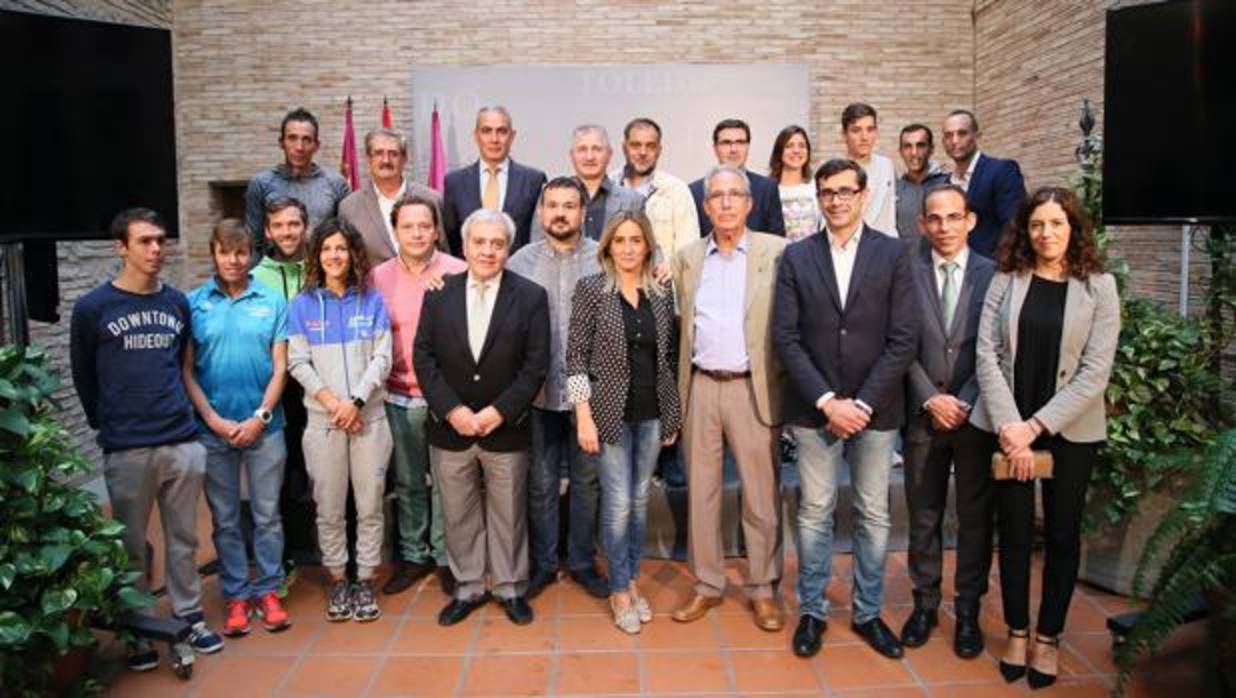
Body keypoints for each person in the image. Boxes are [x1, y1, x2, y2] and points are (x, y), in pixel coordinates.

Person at [971, 186, 1120, 689]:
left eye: (1057, 224)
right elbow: (987, 354)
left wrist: (1035, 428)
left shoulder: (1100, 287)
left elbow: (1095, 372)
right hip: (1007, 423)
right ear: (1025, 230)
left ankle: (1049, 637)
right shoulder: (1005, 280)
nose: (1046, 233)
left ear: (1073, 228)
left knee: (1060, 535)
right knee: (1012, 533)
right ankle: (1017, 629)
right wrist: (1012, 427)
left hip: (1070, 430)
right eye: (1037, 225)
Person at [771, 159, 917, 660]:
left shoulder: (894, 254)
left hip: (877, 409)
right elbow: (785, 338)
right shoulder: (796, 257)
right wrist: (829, 401)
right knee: (815, 512)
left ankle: (868, 612)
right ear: (818, 197)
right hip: (815, 411)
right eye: (827, 192)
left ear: (862, 194)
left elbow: (903, 339)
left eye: (845, 191)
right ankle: (812, 611)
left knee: (874, 513)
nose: (836, 200)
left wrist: (863, 402)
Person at [69, 208, 223, 670]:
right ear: (121, 248)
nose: (156, 249)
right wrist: (108, 422)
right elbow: (84, 376)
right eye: (145, 242)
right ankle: (139, 627)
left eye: (160, 241)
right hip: (127, 445)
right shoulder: (93, 308)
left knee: (183, 538)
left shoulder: (176, 303)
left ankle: (188, 614)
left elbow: (183, 366)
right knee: (131, 543)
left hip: (179, 438)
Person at [413, 209, 551, 627]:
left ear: (508, 248)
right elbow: (424, 357)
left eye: (497, 243)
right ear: (465, 245)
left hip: (505, 428)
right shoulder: (438, 293)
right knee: (457, 512)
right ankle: (469, 586)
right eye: (480, 242)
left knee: (508, 512)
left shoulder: (530, 296)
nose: (488, 251)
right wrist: (452, 410)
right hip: (451, 428)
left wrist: (498, 412)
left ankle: (510, 587)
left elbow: (535, 365)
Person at [671, 164, 787, 632]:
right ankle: (707, 586)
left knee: (760, 495)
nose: (725, 203)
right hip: (700, 386)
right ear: (704, 205)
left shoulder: (778, 253)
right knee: (701, 493)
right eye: (716, 196)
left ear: (749, 202)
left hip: (751, 388)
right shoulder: (685, 257)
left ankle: (762, 589)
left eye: (734, 195)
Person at [566, 211, 682, 634]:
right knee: (616, 505)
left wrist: (672, 414)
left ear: (647, 245)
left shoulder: (661, 293)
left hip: (652, 413)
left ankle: (631, 579)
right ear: (608, 247)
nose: (629, 248)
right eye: (620, 241)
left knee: (636, 501)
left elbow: (667, 358)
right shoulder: (591, 289)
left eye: (636, 240)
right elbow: (575, 357)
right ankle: (618, 589)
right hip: (607, 415)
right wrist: (583, 415)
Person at [900, 186, 996, 658]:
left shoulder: (995, 275)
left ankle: (969, 611)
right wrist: (930, 398)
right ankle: (924, 604)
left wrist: (965, 399)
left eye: (953, 217)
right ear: (922, 224)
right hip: (923, 417)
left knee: (975, 519)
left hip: (976, 418)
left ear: (970, 220)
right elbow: (900, 343)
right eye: (934, 219)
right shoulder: (907, 274)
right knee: (923, 515)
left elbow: (997, 349)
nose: (944, 227)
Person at [183, 219, 292, 637]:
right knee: (225, 519)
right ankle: (236, 595)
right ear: (213, 253)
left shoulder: (272, 300)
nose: (233, 260)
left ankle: (267, 590)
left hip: (267, 427)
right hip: (214, 431)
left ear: (252, 254)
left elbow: (281, 367)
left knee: (267, 516)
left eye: (241, 252)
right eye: (225, 252)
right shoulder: (193, 304)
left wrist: (260, 417)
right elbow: (186, 371)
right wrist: (213, 420)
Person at [287, 218, 393, 623]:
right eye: (327, 249)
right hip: (324, 422)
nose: (334, 255)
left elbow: (382, 358)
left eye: (341, 248)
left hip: (369, 419)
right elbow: (297, 361)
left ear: (353, 255)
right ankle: (337, 579)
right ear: (317, 256)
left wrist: (357, 401)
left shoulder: (372, 301)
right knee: (328, 508)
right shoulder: (303, 305)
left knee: (369, 505)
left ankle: (364, 580)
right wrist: (336, 404)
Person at [508, 178, 607, 600]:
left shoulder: (605, 258)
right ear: (542, 212)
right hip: (538, 392)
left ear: (584, 211)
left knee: (587, 483)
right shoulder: (520, 262)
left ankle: (582, 562)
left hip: (594, 396)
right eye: (553, 206)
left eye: (570, 205)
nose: (561, 213)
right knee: (542, 483)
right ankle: (545, 564)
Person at [370, 194, 466, 597]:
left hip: (447, 398)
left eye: (424, 225)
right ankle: (413, 554)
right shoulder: (377, 277)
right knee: (409, 481)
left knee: (447, 482)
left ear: (437, 229)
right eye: (407, 226)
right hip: (397, 395)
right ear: (395, 230)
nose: (416, 233)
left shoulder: (459, 270)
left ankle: (447, 558)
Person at [252, 197, 316, 567]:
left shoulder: (319, 268)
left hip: (319, 384)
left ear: (305, 226)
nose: (287, 232)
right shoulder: (256, 277)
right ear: (268, 231)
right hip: (279, 390)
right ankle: (288, 555)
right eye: (279, 225)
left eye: (294, 224)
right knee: (284, 472)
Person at [442, 106, 547, 255]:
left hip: (519, 274)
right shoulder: (454, 182)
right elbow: (451, 238)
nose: (494, 139)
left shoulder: (534, 180)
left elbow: (538, 238)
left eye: (501, 131)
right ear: (476, 135)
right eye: (486, 131)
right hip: (471, 274)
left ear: (512, 136)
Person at [340, 128, 443, 264]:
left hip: (426, 283)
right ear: (368, 159)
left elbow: (443, 251)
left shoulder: (432, 199)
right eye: (378, 153)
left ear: (404, 159)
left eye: (393, 154)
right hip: (371, 284)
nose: (386, 160)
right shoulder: (349, 207)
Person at [245, 108, 350, 239]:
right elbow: (255, 242)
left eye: (306, 139)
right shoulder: (261, 184)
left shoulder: (336, 184)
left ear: (316, 145)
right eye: (292, 138)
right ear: (281, 143)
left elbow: (345, 236)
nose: (299, 147)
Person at [530, 125, 644, 243]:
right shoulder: (549, 194)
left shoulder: (633, 201)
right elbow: (537, 246)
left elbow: (642, 247)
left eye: (597, 149)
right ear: (572, 155)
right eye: (582, 149)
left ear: (609, 154)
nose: (589, 157)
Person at [942, 109, 1026, 258]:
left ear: (976, 136)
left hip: (993, 270)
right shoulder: (945, 183)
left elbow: (1014, 227)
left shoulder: (1001, 171)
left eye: (962, 133)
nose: (954, 140)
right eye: (948, 135)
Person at [618, 117, 700, 260]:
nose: (643, 152)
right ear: (624, 148)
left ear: (659, 150)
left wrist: (669, 270)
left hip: (660, 281)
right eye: (636, 145)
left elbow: (689, 248)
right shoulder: (608, 187)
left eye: (650, 146)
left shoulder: (676, 190)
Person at [689, 118, 786, 238]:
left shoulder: (767, 188)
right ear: (715, 148)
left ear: (748, 146)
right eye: (726, 143)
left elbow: (777, 240)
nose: (733, 149)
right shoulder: (695, 191)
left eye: (740, 142)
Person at [839, 103, 898, 237]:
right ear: (844, 134)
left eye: (870, 129)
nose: (864, 137)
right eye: (856, 130)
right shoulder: (836, 173)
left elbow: (890, 214)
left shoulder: (887, 166)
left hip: (885, 248)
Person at [894, 124, 950, 250]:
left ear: (931, 149)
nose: (914, 153)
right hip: (906, 267)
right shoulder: (895, 190)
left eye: (920, 145)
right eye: (908, 146)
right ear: (901, 151)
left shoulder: (948, 184)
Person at [769, 125, 821, 242]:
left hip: (811, 257)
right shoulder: (768, 190)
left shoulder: (817, 188)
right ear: (779, 151)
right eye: (789, 146)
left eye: (802, 146)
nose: (796, 151)